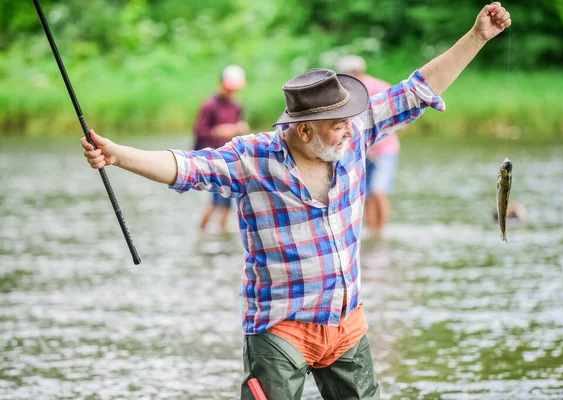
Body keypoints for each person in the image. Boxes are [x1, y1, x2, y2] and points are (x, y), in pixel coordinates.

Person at [81, 4, 511, 399]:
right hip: (279, 329)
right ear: (304, 131)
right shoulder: (252, 158)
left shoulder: (355, 134)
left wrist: (477, 36)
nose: (348, 131)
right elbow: (184, 167)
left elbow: (418, 89)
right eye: (337, 126)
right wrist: (118, 155)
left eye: (348, 122)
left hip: (346, 325)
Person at [336, 55, 401, 238]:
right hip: (359, 150)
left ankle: (382, 231)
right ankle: (374, 233)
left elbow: (399, 116)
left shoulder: (379, 87)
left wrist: (379, 138)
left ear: (360, 72)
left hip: (384, 149)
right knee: (367, 194)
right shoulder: (342, 91)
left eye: (352, 73)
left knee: (380, 190)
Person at [193, 65, 250, 233]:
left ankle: (223, 233)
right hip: (212, 160)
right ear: (221, 85)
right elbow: (199, 132)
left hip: (229, 160)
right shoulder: (210, 105)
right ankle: (202, 232)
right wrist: (218, 131)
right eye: (228, 90)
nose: (231, 94)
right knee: (215, 200)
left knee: (229, 201)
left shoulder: (237, 106)